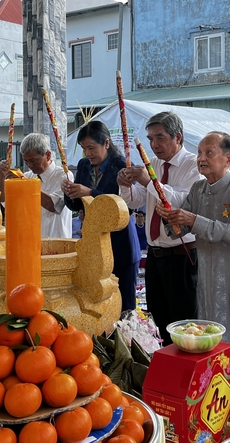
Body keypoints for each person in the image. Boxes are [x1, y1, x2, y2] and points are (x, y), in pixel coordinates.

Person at [156, 131, 230, 398]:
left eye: (209, 153)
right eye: (199, 153)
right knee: (212, 342)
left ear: (228, 158)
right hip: (208, 280)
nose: (201, 159)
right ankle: (218, 405)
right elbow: (179, 231)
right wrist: (169, 217)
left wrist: (192, 219)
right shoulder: (198, 189)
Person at [117, 112, 202, 344]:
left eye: (160, 138)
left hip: (182, 254)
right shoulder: (152, 164)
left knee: (185, 325)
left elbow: (182, 201)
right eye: (150, 139)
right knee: (159, 322)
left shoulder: (193, 164)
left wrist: (149, 181)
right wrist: (125, 185)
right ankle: (167, 372)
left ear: (178, 137)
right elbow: (134, 201)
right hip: (156, 255)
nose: (154, 145)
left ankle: (187, 376)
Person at [63, 121, 140, 312]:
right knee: (97, 303)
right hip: (93, 246)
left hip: (120, 244)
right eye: (84, 149)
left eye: (91, 148)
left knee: (123, 306)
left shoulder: (123, 166)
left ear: (106, 143)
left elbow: (123, 207)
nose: (88, 153)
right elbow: (76, 205)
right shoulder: (83, 166)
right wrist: (69, 192)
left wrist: (89, 192)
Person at [0, 133, 73, 239]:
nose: (30, 165)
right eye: (26, 161)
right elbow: (3, 200)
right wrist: (2, 175)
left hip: (58, 246)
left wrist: (25, 183)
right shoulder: (28, 176)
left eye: (33, 160)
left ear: (48, 155)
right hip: (31, 245)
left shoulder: (64, 175)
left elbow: (54, 206)